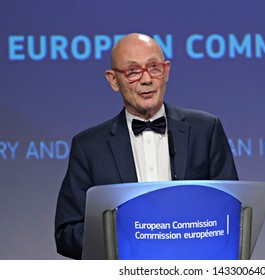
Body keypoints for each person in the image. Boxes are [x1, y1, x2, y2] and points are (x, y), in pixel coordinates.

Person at [54, 33, 238, 259]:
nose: (146, 79)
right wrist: (130, 242)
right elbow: (67, 233)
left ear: (167, 70)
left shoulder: (206, 129)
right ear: (113, 80)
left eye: (154, 67)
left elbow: (231, 214)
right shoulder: (88, 147)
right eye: (133, 71)